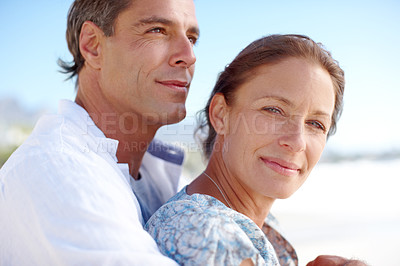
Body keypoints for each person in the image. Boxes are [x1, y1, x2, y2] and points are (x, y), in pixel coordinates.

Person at [0, 0, 199, 265]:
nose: (188, 55)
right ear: (92, 45)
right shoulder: (57, 169)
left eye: (192, 37)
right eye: (157, 30)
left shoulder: (159, 171)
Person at [145, 34, 367, 266]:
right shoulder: (206, 232)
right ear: (221, 114)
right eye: (273, 110)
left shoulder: (258, 223)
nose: (297, 141)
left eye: (316, 124)